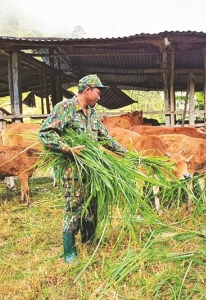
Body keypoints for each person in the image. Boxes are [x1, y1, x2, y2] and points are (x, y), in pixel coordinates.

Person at [38, 74, 127, 263]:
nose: (99, 97)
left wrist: (127, 153)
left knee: (92, 206)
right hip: (73, 172)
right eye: (98, 92)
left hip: (92, 172)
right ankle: (69, 252)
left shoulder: (93, 114)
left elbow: (106, 138)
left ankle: (89, 240)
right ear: (87, 90)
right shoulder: (65, 108)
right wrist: (67, 149)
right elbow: (46, 133)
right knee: (73, 208)